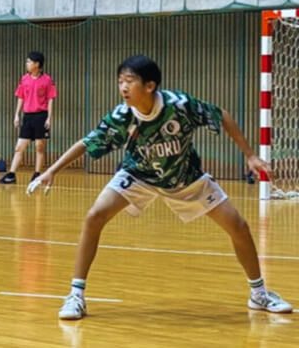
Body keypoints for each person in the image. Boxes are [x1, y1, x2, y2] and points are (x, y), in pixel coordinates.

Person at [27, 55, 293, 320]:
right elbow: (88, 141)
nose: (123, 87)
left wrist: (250, 155)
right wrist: (52, 171)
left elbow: (220, 115)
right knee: (94, 216)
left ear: (150, 86)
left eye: (129, 81)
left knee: (239, 226)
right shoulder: (122, 116)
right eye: (120, 81)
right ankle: (76, 295)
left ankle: (259, 294)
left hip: (185, 178)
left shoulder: (180, 105)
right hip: (139, 175)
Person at [0, 51, 57, 185]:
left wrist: (49, 118)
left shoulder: (47, 80)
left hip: (41, 116)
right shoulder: (24, 79)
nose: (27, 64)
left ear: (37, 64)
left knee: (39, 147)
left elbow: (51, 99)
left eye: (29, 62)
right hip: (28, 116)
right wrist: (17, 114)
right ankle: (11, 174)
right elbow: (20, 96)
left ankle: (37, 174)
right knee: (19, 147)